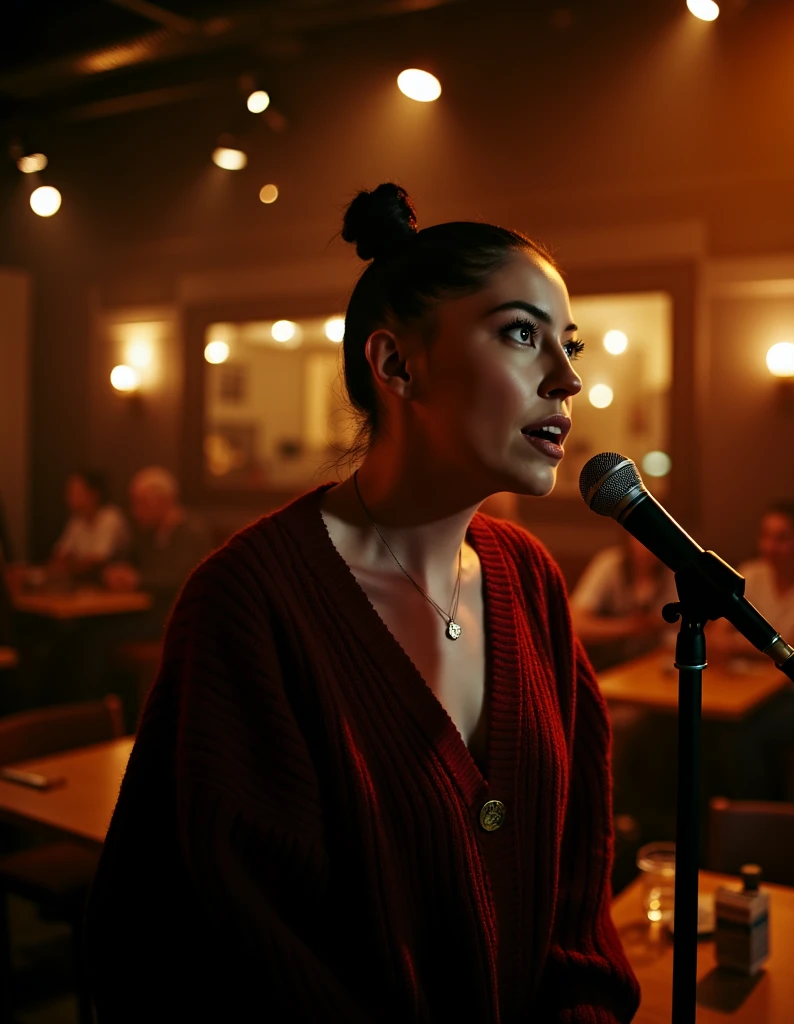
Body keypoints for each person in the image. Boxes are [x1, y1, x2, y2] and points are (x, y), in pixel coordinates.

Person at [85, 183, 640, 1023]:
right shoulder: (250, 601)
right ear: (395, 364)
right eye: (521, 334)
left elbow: (575, 896)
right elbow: (238, 948)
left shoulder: (529, 580)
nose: (567, 380)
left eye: (570, 344)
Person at [705, 496, 794, 799]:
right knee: (687, 725)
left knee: (737, 735)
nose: (770, 546)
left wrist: (736, 645)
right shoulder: (750, 575)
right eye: (765, 536)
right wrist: (738, 645)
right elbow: (715, 638)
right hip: (745, 692)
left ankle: (754, 827)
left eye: (782, 538)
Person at [102, 466, 211, 635]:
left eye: (141, 502)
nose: (135, 511)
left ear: (164, 500)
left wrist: (137, 580)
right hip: (148, 611)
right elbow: (130, 560)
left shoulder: (191, 531)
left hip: (175, 618)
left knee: (98, 632)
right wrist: (118, 573)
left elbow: (182, 578)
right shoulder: (150, 532)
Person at [571, 533, 677, 672]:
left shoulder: (673, 572)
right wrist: (631, 627)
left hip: (651, 667)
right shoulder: (609, 565)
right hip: (606, 667)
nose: (646, 547)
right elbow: (576, 625)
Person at [49, 470, 130, 581]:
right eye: (69, 492)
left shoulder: (110, 517)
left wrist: (71, 565)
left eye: (76, 491)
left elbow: (98, 560)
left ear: (94, 494)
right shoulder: (76, 521)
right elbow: (61, 555)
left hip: (109, 584)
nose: (70, 497)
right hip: (83, 583)